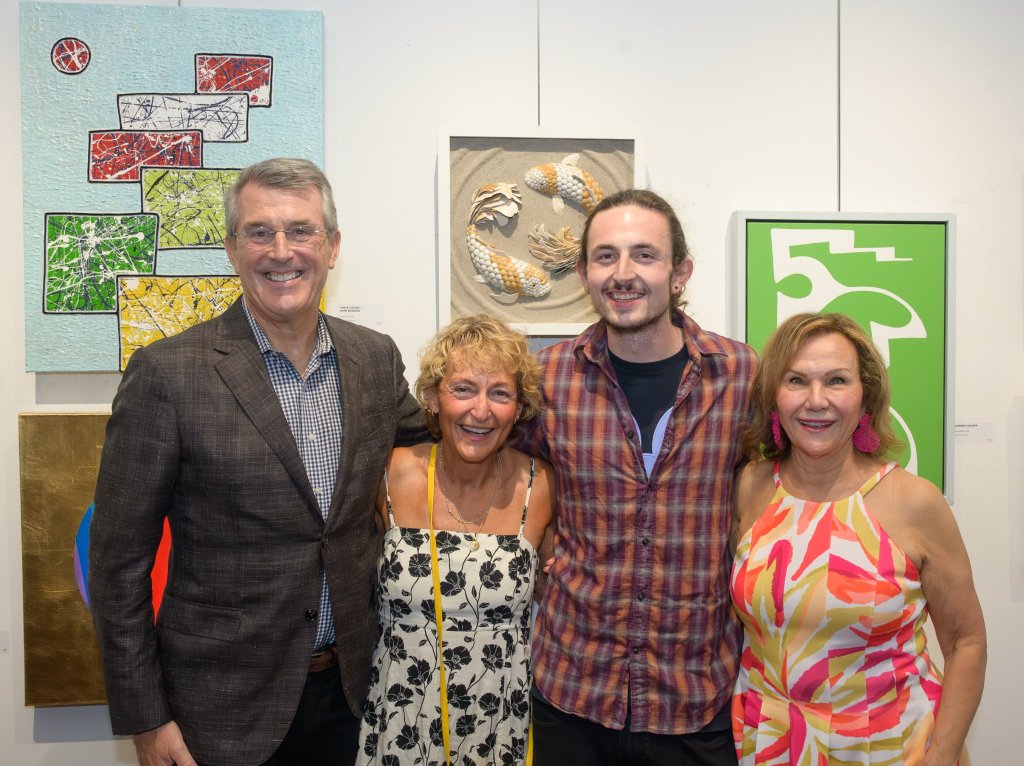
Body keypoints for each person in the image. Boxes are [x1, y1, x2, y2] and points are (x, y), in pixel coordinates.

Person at [88, 158, 430, 766]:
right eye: (259, 232)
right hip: (218, 711)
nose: (281, 251)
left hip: (357, 696)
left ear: (332, 246)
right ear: (232, 247)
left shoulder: (374, 359)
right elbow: (118, 566)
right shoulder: (167, 375)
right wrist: (147, 718)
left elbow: (446, 442)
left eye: (301, 230)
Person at [513, 189, 756, 765]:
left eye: (644, 255)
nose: (623, 274)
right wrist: (538, 539)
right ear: (583, 273)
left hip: (695, 696)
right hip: (574, 692)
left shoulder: (743, 376)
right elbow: (507, 473)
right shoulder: (547, 379)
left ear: (679, 272)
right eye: (605, 257)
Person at [731, 312, 986, 765]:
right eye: (796, 381)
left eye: (836, 380)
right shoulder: (750, 487)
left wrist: (943, 754)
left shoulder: (915, 502)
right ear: (773, 395)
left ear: (864, 395)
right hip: (768, 745)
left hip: (892, 747)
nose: (816, 400)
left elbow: (967, 642)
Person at [356, 314, 554, 765]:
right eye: (463, 388)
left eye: (500, 393)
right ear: (432, 396)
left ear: (519, 408)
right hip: (400, 722)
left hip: (501, 725)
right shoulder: (389, 474)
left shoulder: (541, 486)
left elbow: (557, 583)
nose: (480, 411)